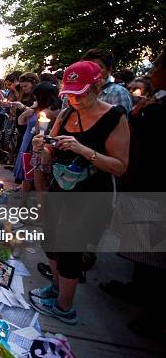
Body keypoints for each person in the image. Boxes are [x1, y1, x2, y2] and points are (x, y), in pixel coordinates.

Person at [29, 60, 129, 325]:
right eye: (69, 93)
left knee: (71, 249)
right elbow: (51, 152)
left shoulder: (114, 117)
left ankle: (65, 306)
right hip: (61, 187)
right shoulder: (66, 114)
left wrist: (83, 150)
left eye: (80, 93)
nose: (74, 99)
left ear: (97, 86)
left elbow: (120, 166)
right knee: (50, 239)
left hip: (90, 194)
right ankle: (56, 287)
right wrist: (43, 148)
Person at [100, 46, 166, 339]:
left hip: (154, 179)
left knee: (153, 245)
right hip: (142, 178)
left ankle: (153, 309)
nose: (152, 73)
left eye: (158, 67)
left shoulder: (147, 104)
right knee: (142, 244)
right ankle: (139, 288)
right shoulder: (152, 103)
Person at [13, 81, 61, 193]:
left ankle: (38, 209)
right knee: (44, 183)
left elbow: (39, 132)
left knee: (38, 184)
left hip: (39, 149)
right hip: (52, 149)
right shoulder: (60, 110)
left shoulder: (44, 112)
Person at [82, 48, 133, 113]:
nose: (93, 71)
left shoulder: (118, 92)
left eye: (99, 67)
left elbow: (124, 121)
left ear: (109, 70)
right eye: (89, 67)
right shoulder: (78, 92)